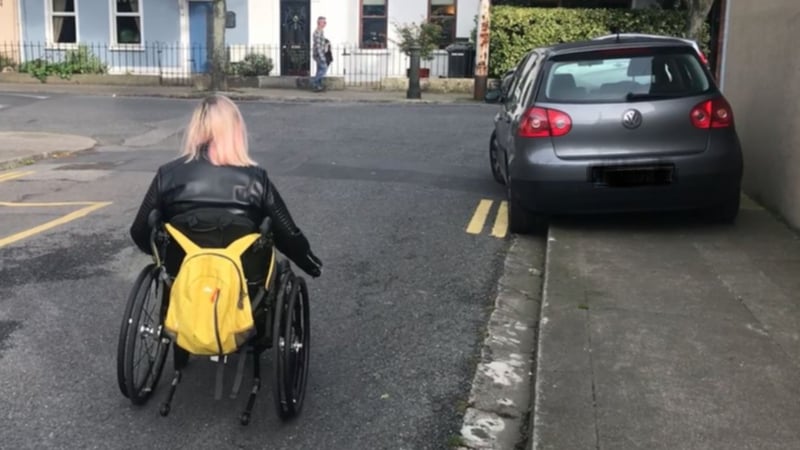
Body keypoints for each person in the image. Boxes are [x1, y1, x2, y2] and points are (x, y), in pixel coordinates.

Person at [129, 93, 323, 287]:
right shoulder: (256, 179)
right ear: (235, 130)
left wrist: (163, 255)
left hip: (184, 282)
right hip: (244, 284)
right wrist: (311, 264)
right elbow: (287, 234)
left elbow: (140, 231)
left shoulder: (168, 175)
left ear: (195, 128)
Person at [312, 16, 328, 92]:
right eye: (324, 22)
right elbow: (318, 47)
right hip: (318, 55)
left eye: (325, 22)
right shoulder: (318, 32)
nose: (325, 23)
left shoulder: (321, 31)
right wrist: (322, 57)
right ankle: (315, 83)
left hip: (319, 54)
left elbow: (320, 44)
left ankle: (318, 86)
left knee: (319, 70)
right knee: (324, 68)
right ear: (319, 23)